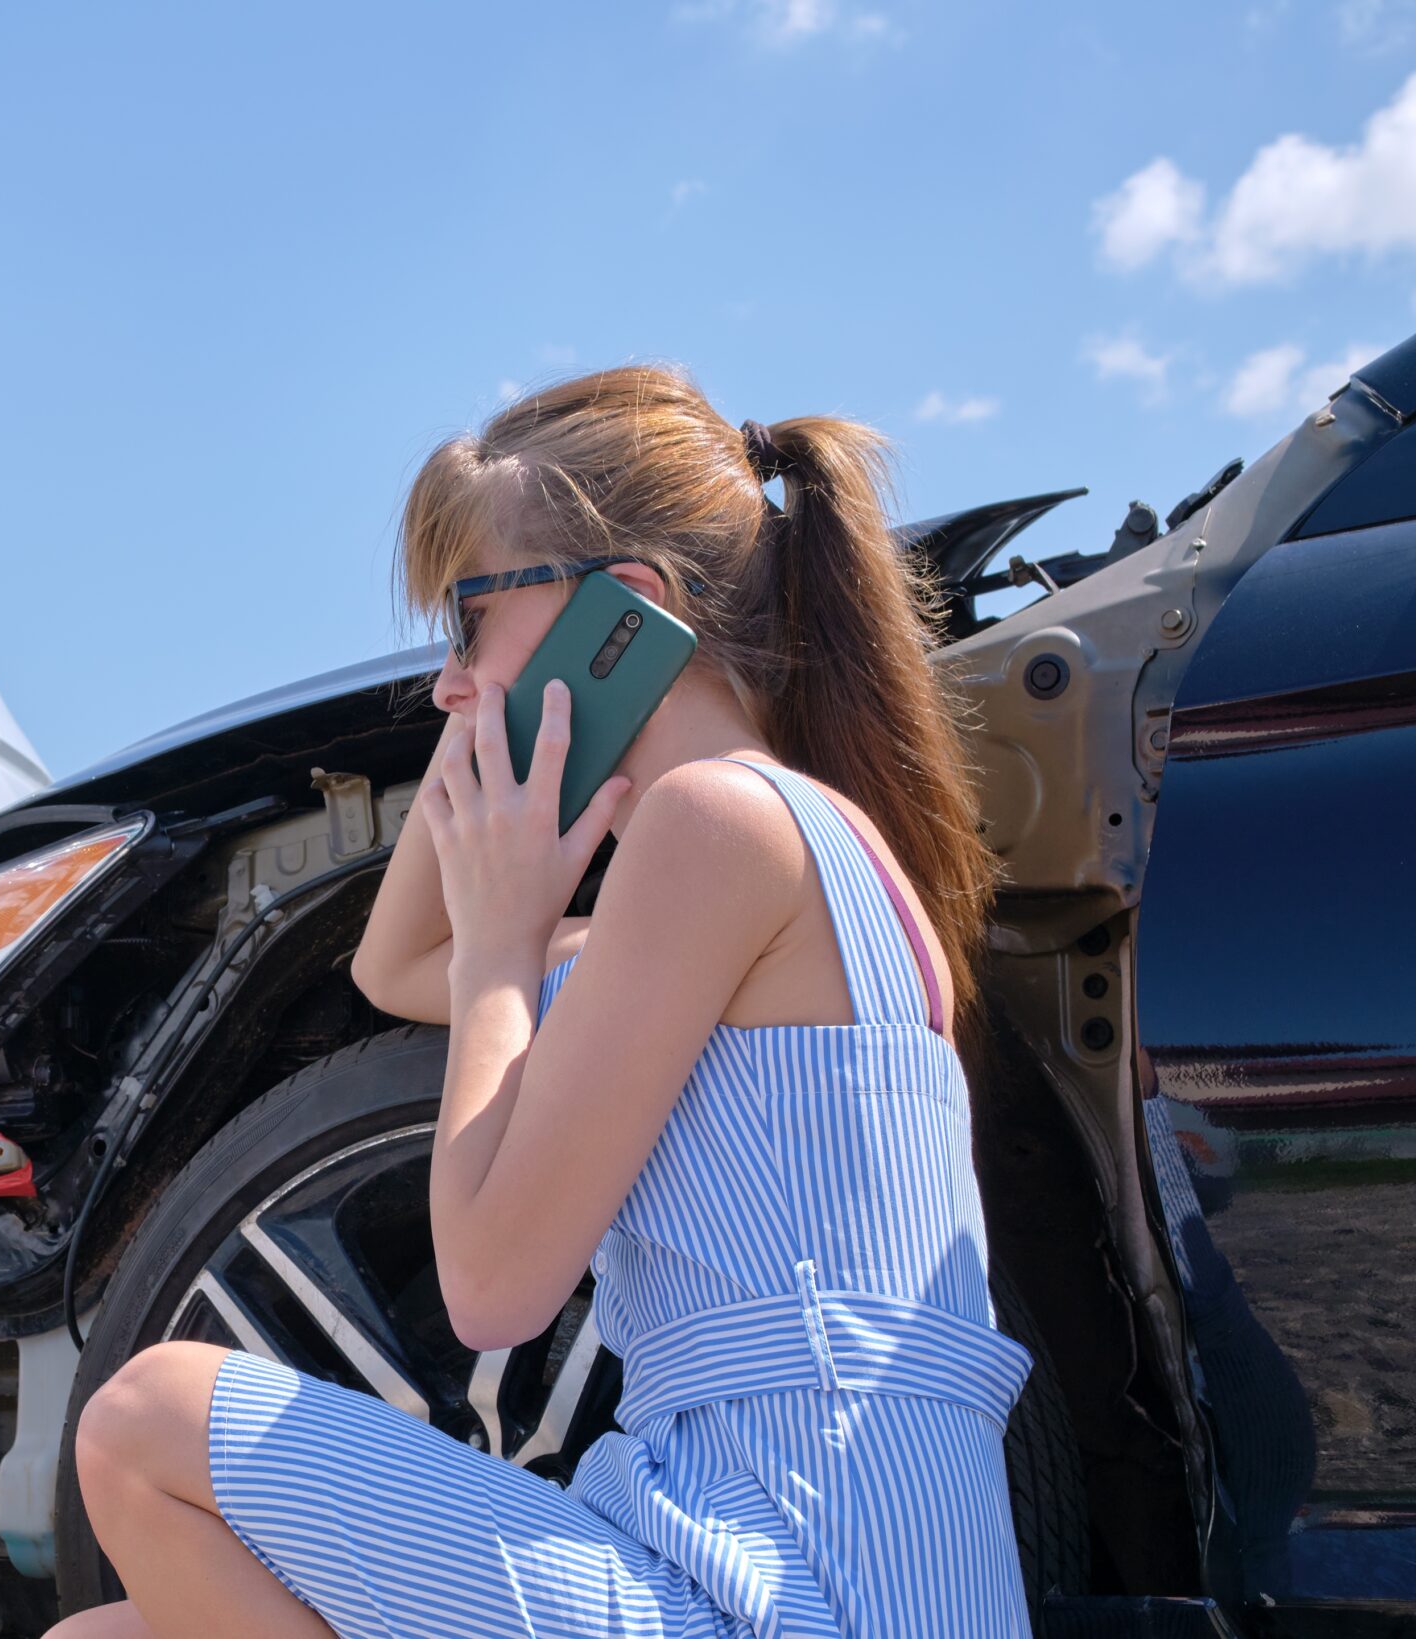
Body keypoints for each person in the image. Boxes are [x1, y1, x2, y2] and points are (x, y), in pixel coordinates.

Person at [54, 366, 1032, 1638]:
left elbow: (494, 1289)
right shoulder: (813, 859)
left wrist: (506, 944)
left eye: (462, 625)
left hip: (785, 1593)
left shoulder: (716, 823)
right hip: (787, 1574)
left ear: (620, 622)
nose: (441, 684)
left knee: (145, 1420)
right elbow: (396, 968)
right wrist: (497, 750)